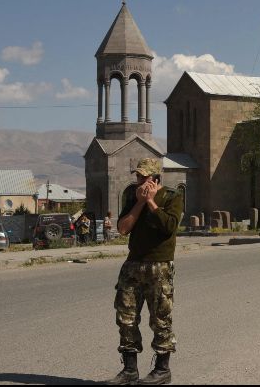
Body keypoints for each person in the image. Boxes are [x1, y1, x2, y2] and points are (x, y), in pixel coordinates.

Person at [106, 158, 183, 385]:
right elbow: (122, 228)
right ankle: (129, 369)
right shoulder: (133, 198)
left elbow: (169, 226)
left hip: (159, 266)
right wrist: (140, 203)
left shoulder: (171, 197)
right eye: (138, 176)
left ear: (155, 178)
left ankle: (162, 370)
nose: (139, 180)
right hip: (133, 265)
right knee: (126, 317)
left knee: (160, 318)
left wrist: (151, 202)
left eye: (144, 177)